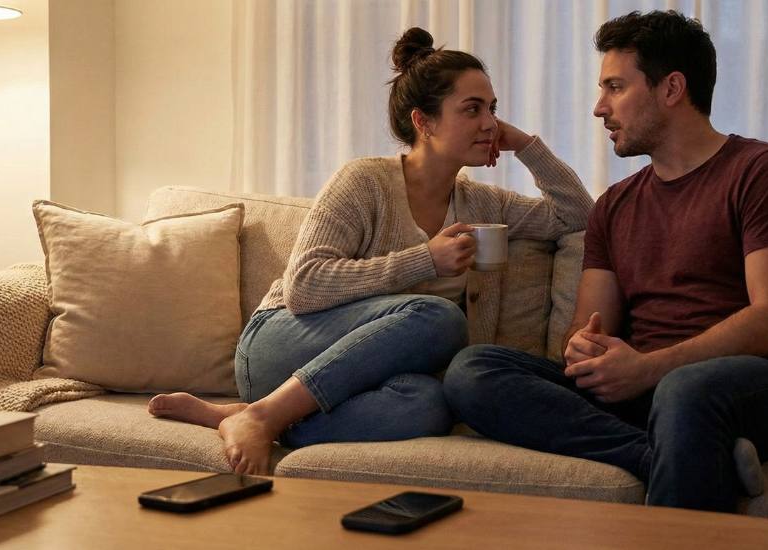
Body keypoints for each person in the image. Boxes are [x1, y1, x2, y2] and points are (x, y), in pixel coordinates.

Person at [148, 27, 594, 475]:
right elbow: (304, 287)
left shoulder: (485, 203)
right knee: (438, 317)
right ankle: (264, 412)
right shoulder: (364, 183)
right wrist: (425, 260)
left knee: (431, 402)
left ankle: (255, 418)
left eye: (492, 109)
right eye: (472, 109)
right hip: (279, 344)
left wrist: (525, 145)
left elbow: (577, 215)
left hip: (361, 378)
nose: (489, 123)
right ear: (424, 122)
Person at [444, 10, 768, 512]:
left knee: (685, 390)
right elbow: (586, 327)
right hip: (650, 392)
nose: (599, 108)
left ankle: (680, 457)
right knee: (473, 371)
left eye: (615, 87)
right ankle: (662, 456)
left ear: (671, 88)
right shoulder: (615, 205)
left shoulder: (763, 172)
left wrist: (650, 369)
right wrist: (585, 349)